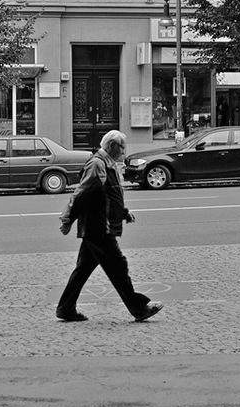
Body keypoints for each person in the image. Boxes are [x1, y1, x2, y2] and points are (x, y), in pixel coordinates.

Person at [56, 130, 162, 323]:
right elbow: (82, 193)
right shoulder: (97, 164)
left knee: (83, 269)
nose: (123, 151)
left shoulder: (107, 164)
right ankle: (138, 308)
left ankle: (65, 308)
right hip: (99, 227)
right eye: (122, 147)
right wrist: (67, 219)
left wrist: (123, 212)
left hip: (97, 227)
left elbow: (109, 195)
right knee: (118, 266)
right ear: (112, 145)